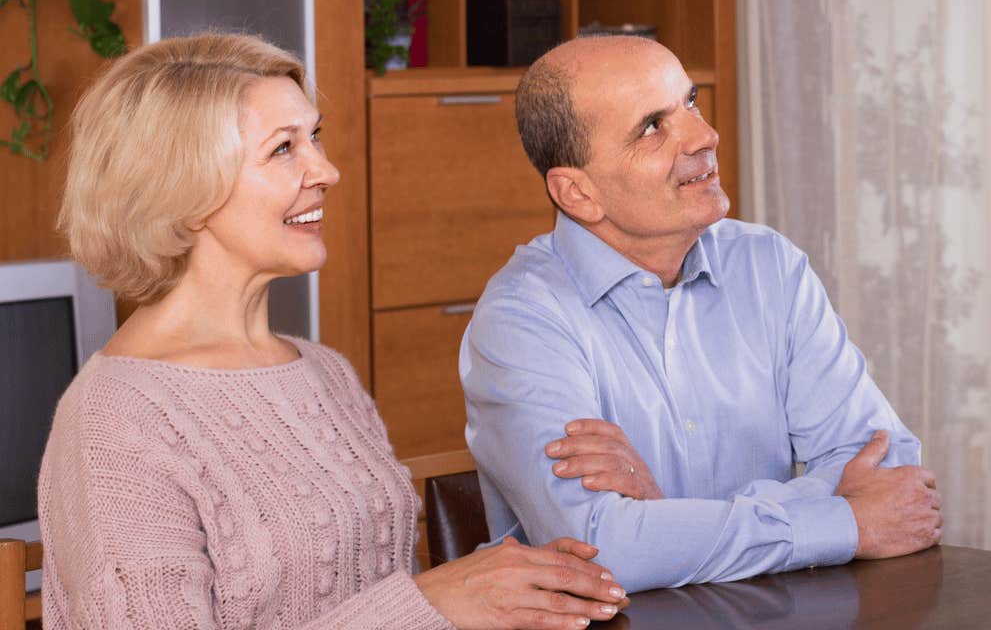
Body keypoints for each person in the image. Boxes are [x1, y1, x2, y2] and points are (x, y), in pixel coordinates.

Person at [38, 33, 626, 629]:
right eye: (283, 149)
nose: (327, 170)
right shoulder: (114, 423)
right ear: (185, 190)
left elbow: (372, 598)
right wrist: (433, 601)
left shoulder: (322, 372)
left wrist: (509, 577)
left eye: (314, 137)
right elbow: (402, 611)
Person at [461, 34, 940, 593]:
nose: (705, 136)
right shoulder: (521, 321)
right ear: (578, 193)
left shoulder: (769, 267)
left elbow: (890, 469)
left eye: (689, 102)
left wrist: (667, 513)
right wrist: (845, 519)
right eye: (652, 127)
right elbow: (605, 549)